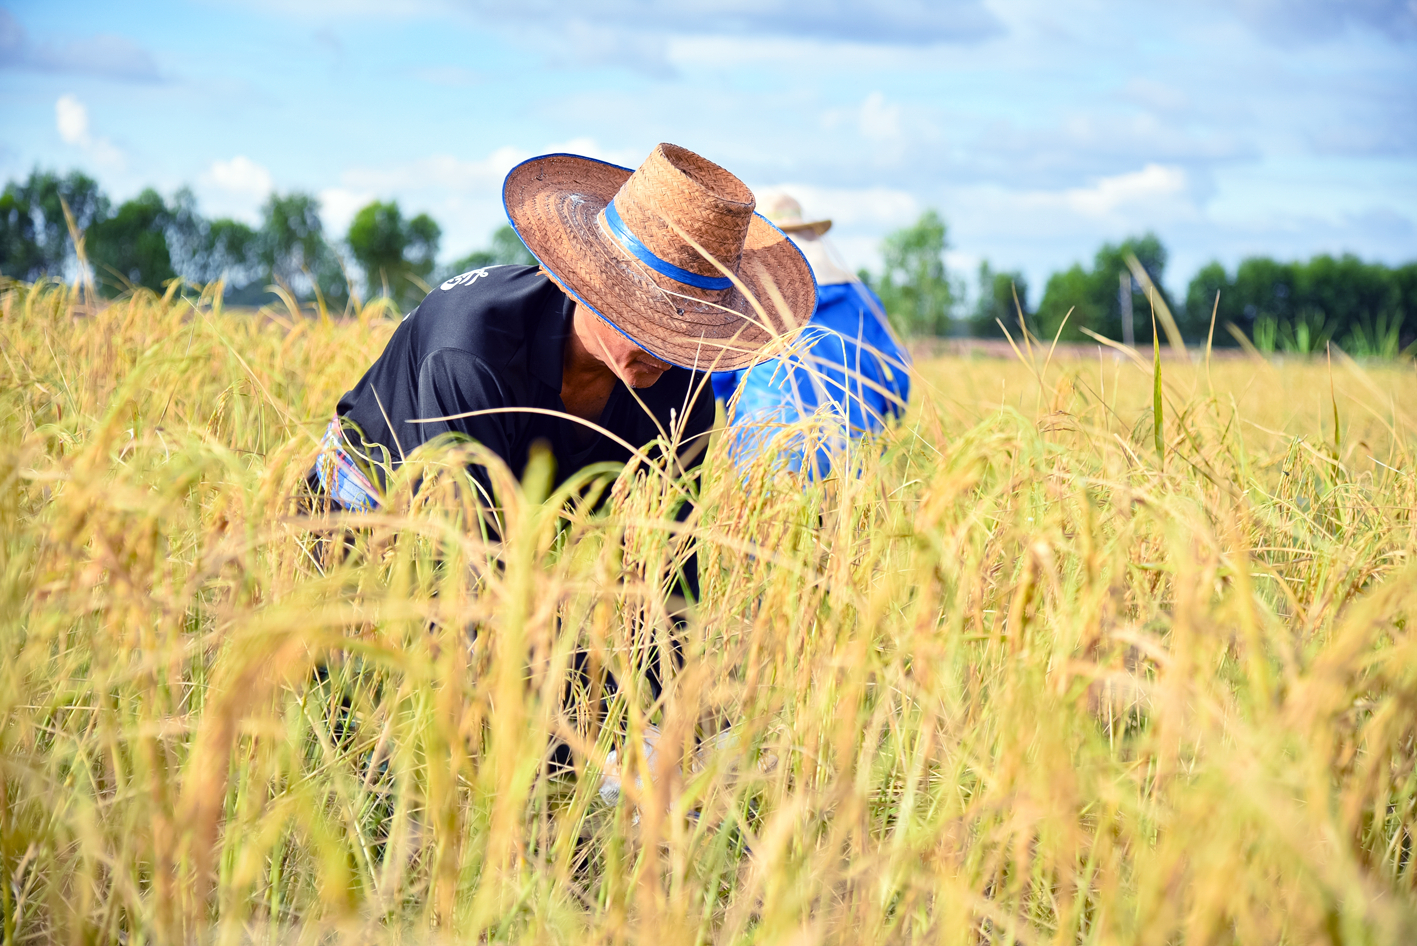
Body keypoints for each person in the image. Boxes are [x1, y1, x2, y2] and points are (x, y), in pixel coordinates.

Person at [318, 143, 815, 522]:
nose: (665, 356)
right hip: (369, 503)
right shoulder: (473, 350)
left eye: (688, 335)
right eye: (651, 325)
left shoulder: (682, 389)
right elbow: (466, 573)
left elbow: (669, 566)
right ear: (592, 285)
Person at [711, 193, 910, 477]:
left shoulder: (743, 300)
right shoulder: (860, 298)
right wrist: (888, 421)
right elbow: (897, 374)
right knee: (851, 520)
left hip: (768, 456)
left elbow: (711, 382)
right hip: (856, 452)